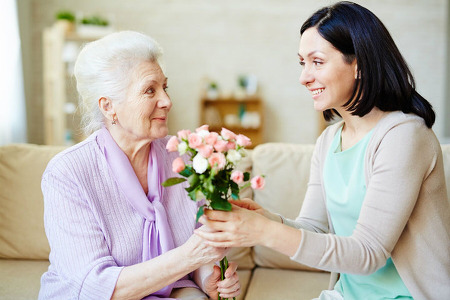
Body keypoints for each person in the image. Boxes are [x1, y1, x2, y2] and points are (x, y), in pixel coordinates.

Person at [194, 2, 450, 299]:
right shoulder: (329, 141)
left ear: (359, 64)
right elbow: (313, 229)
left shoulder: (405, 136)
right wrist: (268, 221)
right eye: (302, 63)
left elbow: (368, 254)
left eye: (317, 62)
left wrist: (263, 233)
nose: (304, 77)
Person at [39, 31, 240, 300]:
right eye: (149, 90)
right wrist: (189, 256)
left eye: (164, 87)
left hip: (172, 289)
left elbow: (199, 242)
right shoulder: (67, 174)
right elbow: (94, 287)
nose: (167, 101)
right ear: (109, 106)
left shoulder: (184, 157)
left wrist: (208, 279)